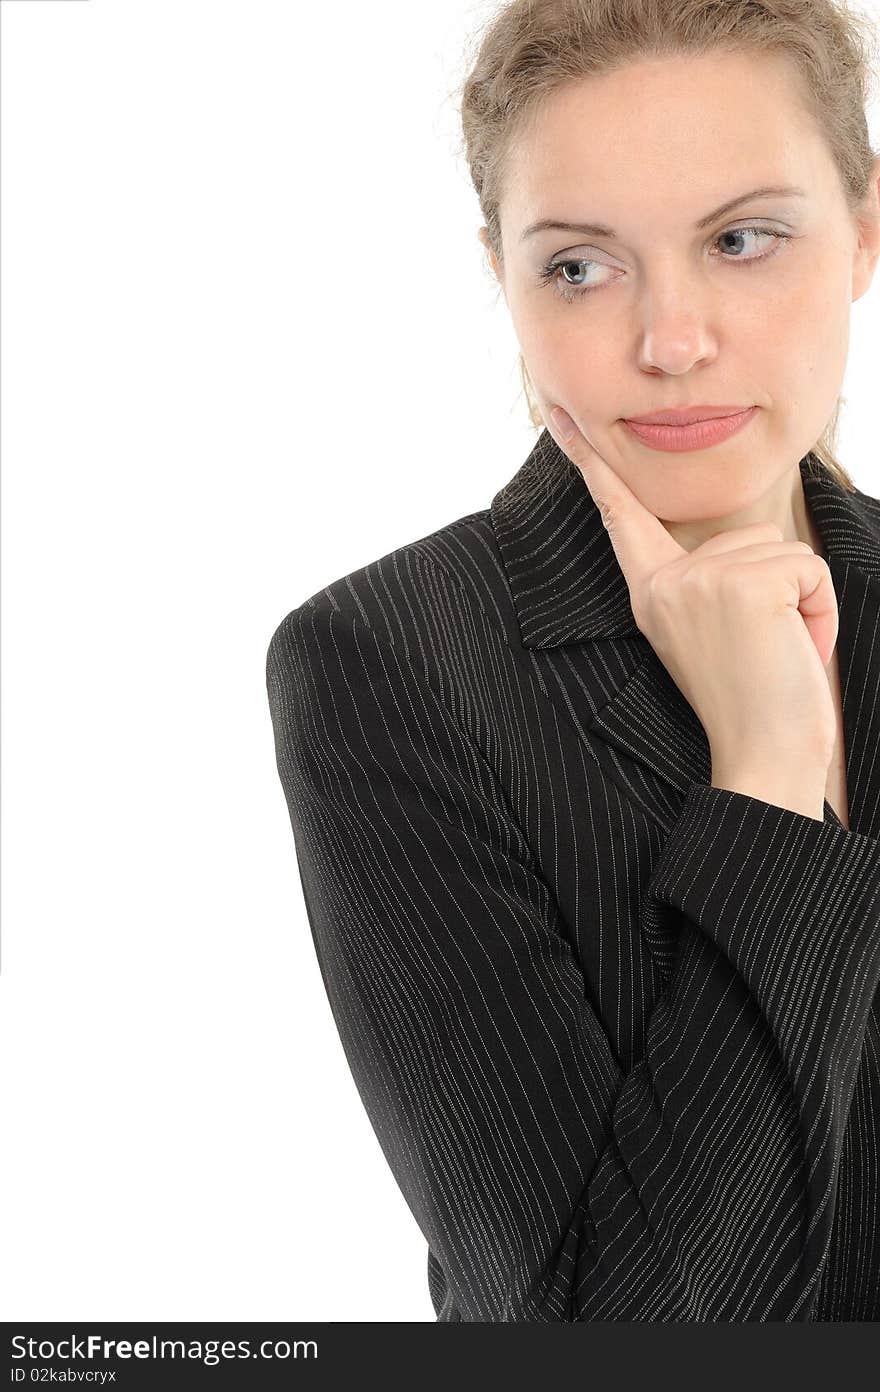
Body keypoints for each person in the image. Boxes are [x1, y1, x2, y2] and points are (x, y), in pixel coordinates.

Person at [265, 0, 880, 1321]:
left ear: (866, 233)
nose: (672, 342)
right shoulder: (388, 668)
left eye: (741, 239)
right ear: (504, 273)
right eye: (582, 269)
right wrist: (768, 778)